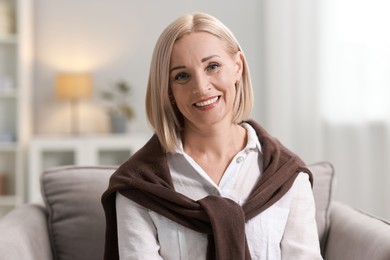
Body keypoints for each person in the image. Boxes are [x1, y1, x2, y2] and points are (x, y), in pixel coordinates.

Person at [101, 12, 323, 260]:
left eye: (213, 66)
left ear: (237, 67)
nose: (201, 86)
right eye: (182, 76)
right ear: (168, 90)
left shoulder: (287, 176)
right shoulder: (139, 186)